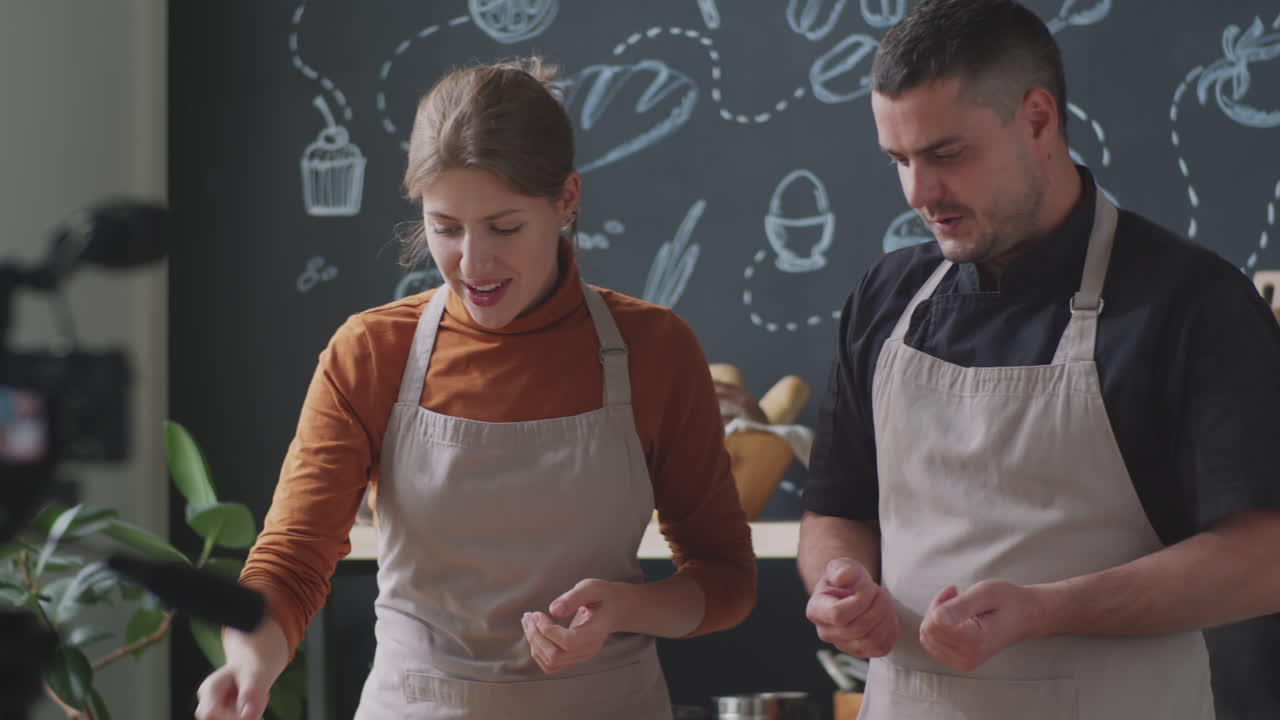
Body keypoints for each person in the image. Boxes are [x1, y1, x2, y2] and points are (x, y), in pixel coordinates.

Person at [194, 58, 756, 720]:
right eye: (445, 227)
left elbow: (724, 579)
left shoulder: (655, 350)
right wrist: (251, 663)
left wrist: (627, 607)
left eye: (504, 227)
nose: (473, 262)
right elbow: (291, 563)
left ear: (567, 200)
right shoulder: (370, 353)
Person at [798, 1, 1280, 718]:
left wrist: (1043, 610)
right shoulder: (885, 296)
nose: (919, 194)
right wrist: (839, 584)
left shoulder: (1189, 301)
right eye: (900, 160)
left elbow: (1262, 558)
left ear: (1037, 118)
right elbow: (834, 515)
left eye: (946, 155)